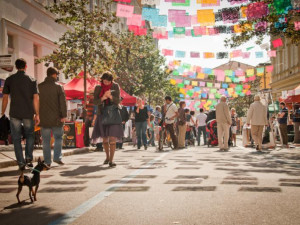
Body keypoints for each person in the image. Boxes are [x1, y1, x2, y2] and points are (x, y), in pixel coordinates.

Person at [1, 58, 39, 170]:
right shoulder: (32, 80)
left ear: (16, 67)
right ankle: (28, 158)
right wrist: (37, 113)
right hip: (28, 112)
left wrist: (2, 112)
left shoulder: (9, 79)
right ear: (26, 66)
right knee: (30, 135)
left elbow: (5, 98)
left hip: (14, 113)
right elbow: (36, 98)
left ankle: (21, 163)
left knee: (16, 138)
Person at [92, 72, 123, 167]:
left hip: (113, 114)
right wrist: (103, 98)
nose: (105, 83)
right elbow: (95, 101)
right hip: (102, 114)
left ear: (111, 81)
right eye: (104, 81)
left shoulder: (115, 86)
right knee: (105, 139)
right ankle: (107, 157)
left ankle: (111, 160)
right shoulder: (98, 88)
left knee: (112, 139)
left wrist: (110, 97)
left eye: (108, 81)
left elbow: (118, 100)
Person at [39, 67, 67, 166]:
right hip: (57, 119)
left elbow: (35, 102)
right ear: (54, 74)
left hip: (44, 118)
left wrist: (36, 115)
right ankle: (57, 157)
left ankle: (47, 161)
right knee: (58, 138)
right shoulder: (58, 87)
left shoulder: (39, 86)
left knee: (46, 140)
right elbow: (63, 103)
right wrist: (64, 115)